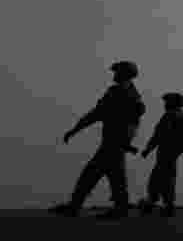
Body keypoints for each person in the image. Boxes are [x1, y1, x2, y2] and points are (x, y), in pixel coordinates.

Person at [50, 61, 146, 219]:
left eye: (117, 72)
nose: (114, 74)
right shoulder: (125, 93)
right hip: (113, 142)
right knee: (110, 177)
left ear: (124, 74)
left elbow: (100, 114)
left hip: (114, 143)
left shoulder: (123, 94)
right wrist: (76, 129)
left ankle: (78, 207)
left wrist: (75, 130)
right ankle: (80, 206)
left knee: (94, 175)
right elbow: (100, 114)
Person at [138, 93, 183, 217]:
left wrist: (148, 149)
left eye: (167, 101)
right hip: (173, 151)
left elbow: (158, 135)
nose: (165, 104)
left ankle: (156, 203)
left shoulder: (170, 116)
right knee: (166, 177)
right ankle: (161, 204)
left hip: (167, 151)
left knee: (159, 178)